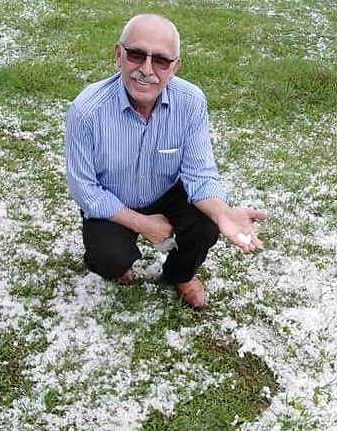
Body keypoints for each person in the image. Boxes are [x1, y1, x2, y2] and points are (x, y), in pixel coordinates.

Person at [65, 13, 267, 308]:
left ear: (175, 67)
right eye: (136, 55)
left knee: (206, 224)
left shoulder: (191, 101)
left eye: (161, 60)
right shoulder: (86, 110)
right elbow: (84, 189)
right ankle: (117, 261)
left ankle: (180, 274)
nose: (146, 69)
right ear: (118, 55)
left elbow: (199, 173)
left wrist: (223, 212)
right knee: (108, 261)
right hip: (113, 200)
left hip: (166, 192)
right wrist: (142, 223)